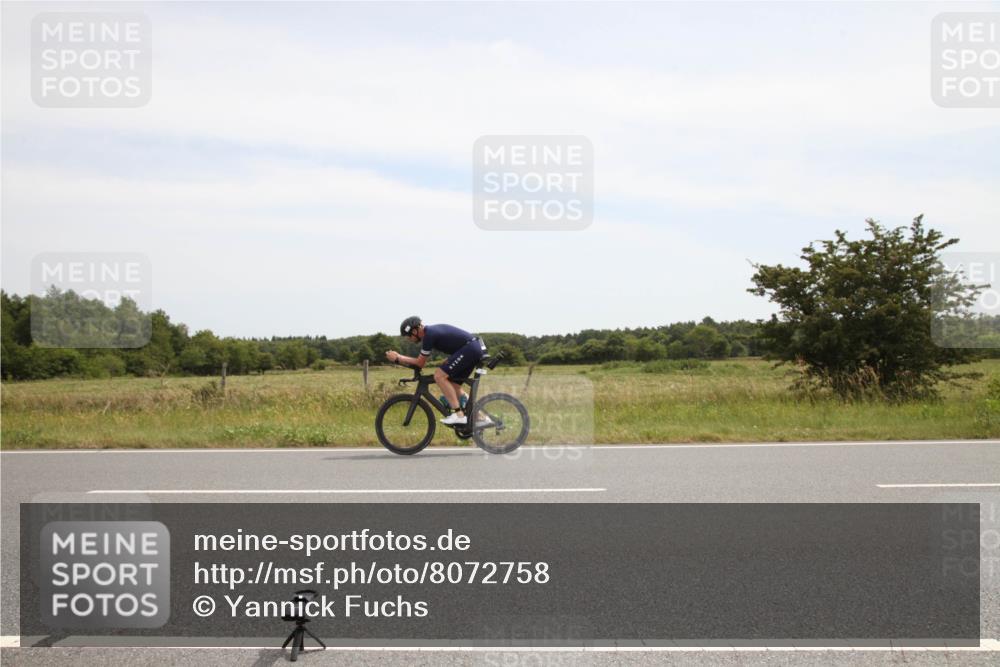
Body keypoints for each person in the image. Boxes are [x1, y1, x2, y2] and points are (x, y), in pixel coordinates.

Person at [386, 316, 487, 425]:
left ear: (415, 331)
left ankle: (459, 415)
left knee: (439, 376)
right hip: (473, 348)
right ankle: (481, 418)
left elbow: (420, 362)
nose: (408, 339)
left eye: (408, 336)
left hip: (472, 348)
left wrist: (398, 357)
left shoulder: (429, 335)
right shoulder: (430, 333)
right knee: (454, 385)